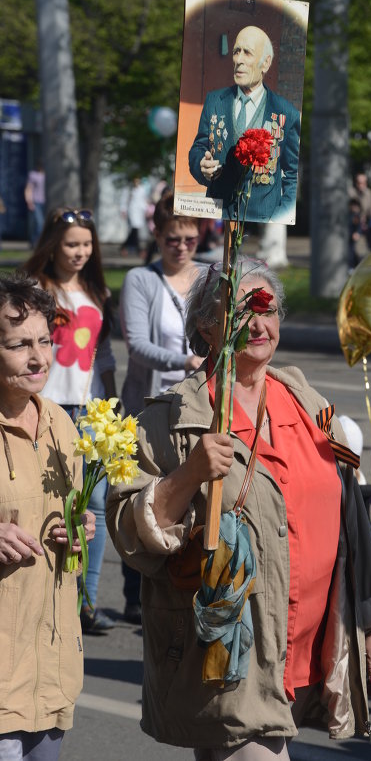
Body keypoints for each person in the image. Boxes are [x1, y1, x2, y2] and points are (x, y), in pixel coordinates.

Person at [106, 258, 371, 758]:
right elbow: (131, 534)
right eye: (241, 312)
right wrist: (188, 474)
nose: (259, 325)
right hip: (231, 655)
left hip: (308, 644)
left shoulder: (309, 404)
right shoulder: (172, 419)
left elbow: (351, 517)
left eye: (268, 310)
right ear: (206, 324)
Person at [0, 273, 95, 761]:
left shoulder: (60, 422)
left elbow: (70, 516)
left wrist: (77, 530)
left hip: (52, 664)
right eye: (19, 345)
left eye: (44, 341)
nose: (38, 358)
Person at [23, 208, 118, 635]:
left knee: (94, 506)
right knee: (50, 504)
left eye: (86, 244)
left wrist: (112, 403)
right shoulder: (35, 289)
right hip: (46, 406)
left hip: (90, 410)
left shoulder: (97, 292)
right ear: (52, 246)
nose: (80, 252)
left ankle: (87, 600)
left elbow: (107, 354)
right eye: (71, 244)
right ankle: (48, 586)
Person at [119, 192, 204, 622]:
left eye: (190, 238)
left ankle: (188, 582)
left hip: (199, 408)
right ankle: (137, 591)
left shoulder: (209, 275)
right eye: (173, 238)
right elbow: (137, 345)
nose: (182, 246)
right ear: (156, 233)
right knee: (146, 495)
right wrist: (185, 361)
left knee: (192, 496)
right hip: (151, 408)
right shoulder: (141, 280)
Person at [188, 25, 300, 225]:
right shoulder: (215, 101)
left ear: (265, 63)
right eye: (236, 52)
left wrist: (279, 217)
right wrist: (200, 165)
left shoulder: (286, 113)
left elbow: (292, 174)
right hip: (218, 215)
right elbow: (199, 147)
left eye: (247, 53)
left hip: (262, 220)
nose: (238, 60)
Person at [120, 177, 149, 257]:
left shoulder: (142, 189)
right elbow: (124, 200)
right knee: (135, 230)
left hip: (140, 212)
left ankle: (124, 246)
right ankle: (139, 250)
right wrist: (123, 210)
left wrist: (147, 209)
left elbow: (143, 200)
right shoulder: (129, 189)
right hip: (132, 211)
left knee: (135, 231)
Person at [24, 162, 46, 247]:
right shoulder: (33, 175)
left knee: (41, 224)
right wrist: (29, 201)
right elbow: (28, 188)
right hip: (36, 201)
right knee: (39, 223)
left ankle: (36, 241)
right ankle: (35, 242)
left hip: (44, 202)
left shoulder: (45, 175)